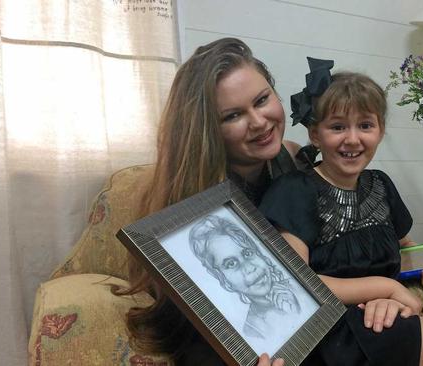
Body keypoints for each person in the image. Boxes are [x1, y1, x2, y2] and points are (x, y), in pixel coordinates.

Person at [258, 58, 423, 366]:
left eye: (365, 125)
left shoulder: (380, 184)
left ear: (380, 131)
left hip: (385, 314)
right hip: (334, 328)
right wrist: (388, 288)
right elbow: (297, 283)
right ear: (316, 135)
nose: (352, 139)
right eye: (338, 127)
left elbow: (406, 250)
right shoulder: (294, 191)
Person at [116, 37, 296, 365]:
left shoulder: (294, 159)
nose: (258, 122)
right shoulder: (187, 202)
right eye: (232, 116)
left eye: (262, 99)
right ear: (207, 129)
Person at [188, 215, 301, 339]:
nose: (249, 268)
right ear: (222, 278)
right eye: (231, 264)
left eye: (248, 253)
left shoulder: (301, 290)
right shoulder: (253, 332)